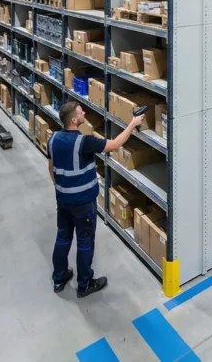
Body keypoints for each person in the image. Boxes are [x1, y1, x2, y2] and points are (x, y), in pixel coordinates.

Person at [48, 101, 145, 297]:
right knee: (85, 242)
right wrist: (133, 124)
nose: (84, 112)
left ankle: (59, 278)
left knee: (63, 237)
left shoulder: (53, 139)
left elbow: (51, 168)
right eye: (80, 112)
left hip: (63, 199)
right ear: (74, 120)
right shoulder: (85, 142)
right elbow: (115, 144)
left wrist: (62, 187)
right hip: (83, 202)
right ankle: (84, 284)